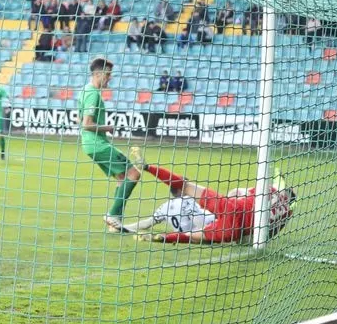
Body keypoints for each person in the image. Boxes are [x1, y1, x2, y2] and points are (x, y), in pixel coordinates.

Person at [127, 162, 295, 244]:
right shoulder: (287, 213)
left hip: (230, 209)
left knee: (185, 185)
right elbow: (270, 233)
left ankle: (147, 167)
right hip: (234, 230)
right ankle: (163, 238)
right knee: (192, 236)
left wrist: (148, 167)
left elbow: (239, 191)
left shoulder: (269, 189)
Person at [79, 57, 141, 232]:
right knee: (134, 173)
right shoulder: (93, 94)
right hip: (97, 144)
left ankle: (115, 224)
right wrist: (108, 127)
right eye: (107, 74)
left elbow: (79, 118)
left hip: (90, 144)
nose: (109, 78)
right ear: (98, 74)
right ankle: (113, 215)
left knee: (122, 177)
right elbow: (86, 124)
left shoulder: (84, 90)